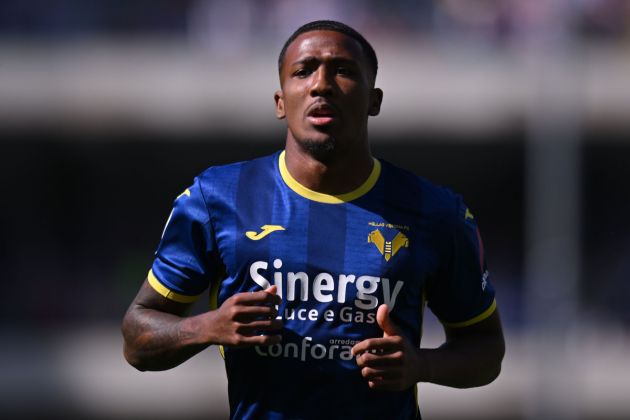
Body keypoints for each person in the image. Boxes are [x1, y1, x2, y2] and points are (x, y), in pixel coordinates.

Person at [122, 20, 505, 420]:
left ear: (374, 100)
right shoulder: (217, 197)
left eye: (342, 70)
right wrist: (207, 327)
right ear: (280, 101)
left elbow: (486, 350)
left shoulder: (436, 212)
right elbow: (137, 338)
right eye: (303, 71)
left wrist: (421, 366)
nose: (321, 84)